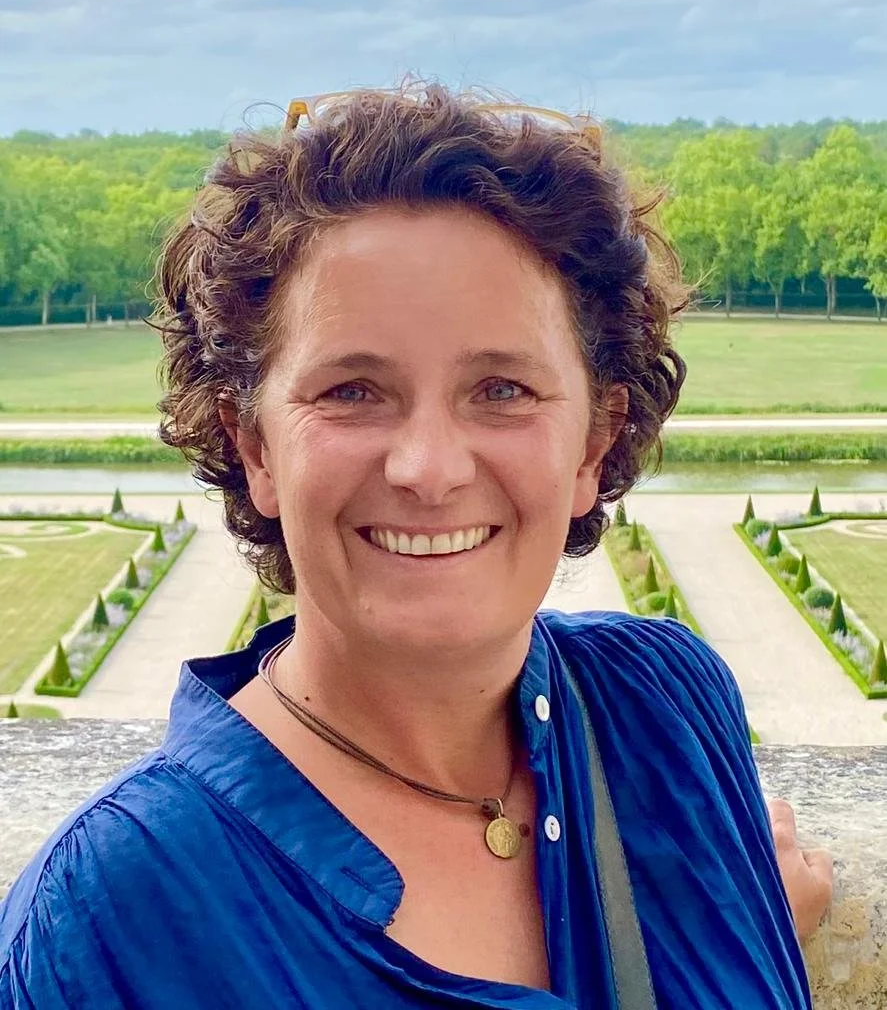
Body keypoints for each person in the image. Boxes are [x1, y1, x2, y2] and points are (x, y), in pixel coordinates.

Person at [0, 85, 832, 1008]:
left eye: (503, 389)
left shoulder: (667, 702)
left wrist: (744, 928)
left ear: (593, 444)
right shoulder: (111, 917)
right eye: (352, 390)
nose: (428, 468)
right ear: (253, 446)